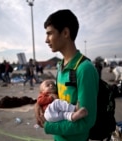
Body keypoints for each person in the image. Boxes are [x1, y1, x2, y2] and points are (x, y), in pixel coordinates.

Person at [34, 9, 99, 141]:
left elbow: (86, 121)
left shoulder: (84, 69)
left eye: (50, 34)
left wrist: (48, 126)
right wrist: (38, 105)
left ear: (65, 33)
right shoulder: (60, 66)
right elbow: (56, 98)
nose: (46, 40)